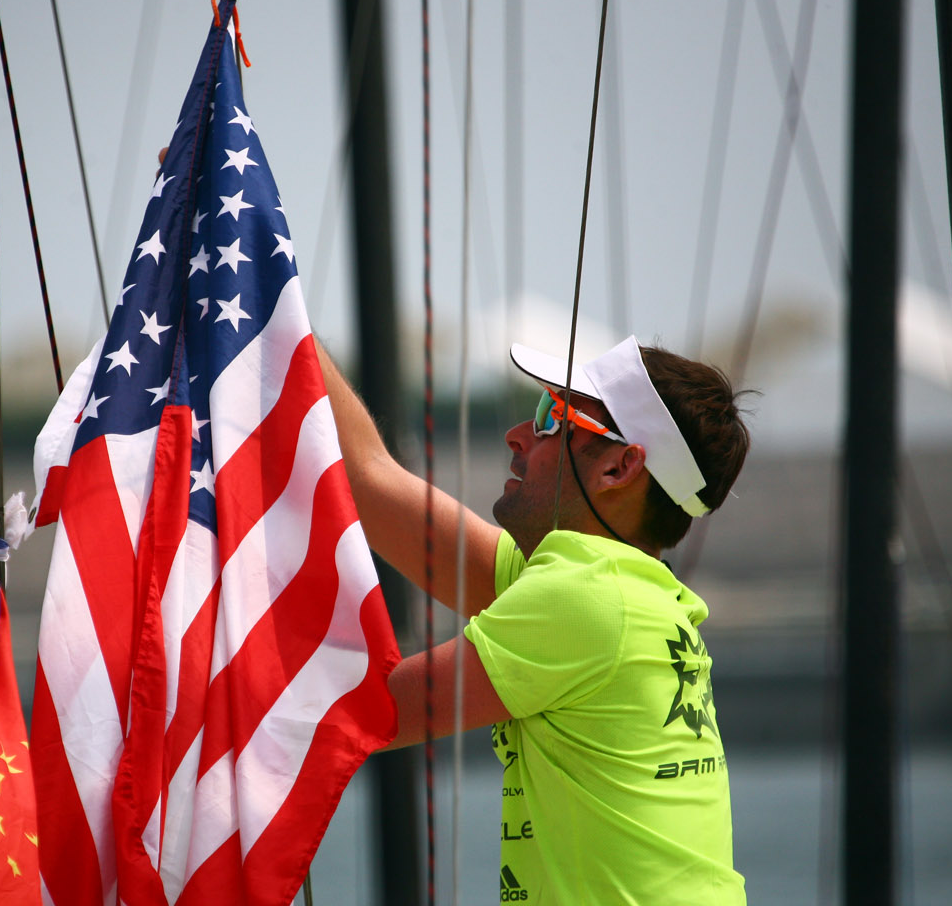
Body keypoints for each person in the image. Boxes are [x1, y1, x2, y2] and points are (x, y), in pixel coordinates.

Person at [317, 333, 752, 905]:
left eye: (553, 417)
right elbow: (369, 475)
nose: (518, 434)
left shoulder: (585, 596)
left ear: (619, 468)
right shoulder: (626, 589)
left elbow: (352, 716)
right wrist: (272, 291)